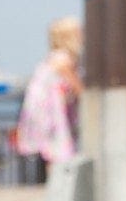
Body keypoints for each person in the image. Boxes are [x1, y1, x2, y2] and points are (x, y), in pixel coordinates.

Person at [15, 16, 83, 175]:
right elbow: (78, 87)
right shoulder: (63, 60)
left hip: (43, 112)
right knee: (58, 148)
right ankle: (60, 182)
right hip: (53, 113)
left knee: (52, 150)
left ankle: (54, 182)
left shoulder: (54, 57)